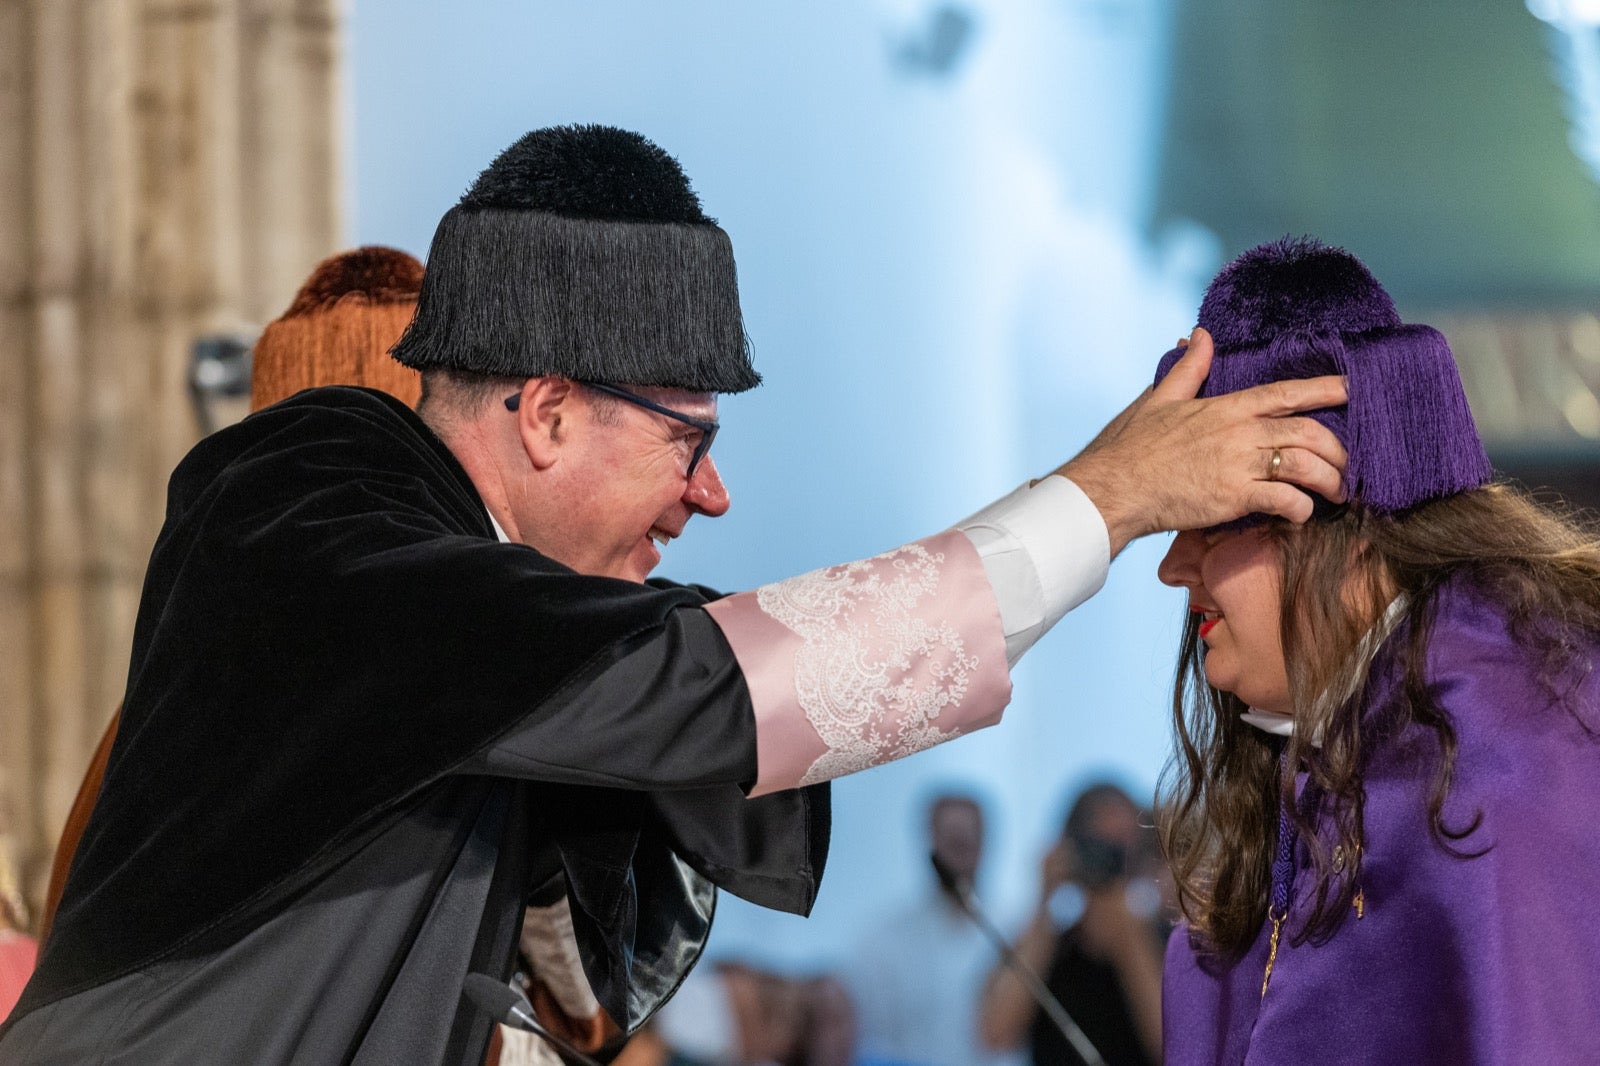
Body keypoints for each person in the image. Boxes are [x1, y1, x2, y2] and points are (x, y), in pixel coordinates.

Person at [0, 127, 1347, 1065]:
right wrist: (1106, 498)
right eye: (689, 439)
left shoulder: (466, 612)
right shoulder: (303, 492)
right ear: (545, 411)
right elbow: (700, 684)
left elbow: (575, 981)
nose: (710, 496)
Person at [1150, 237, 1600, 1063]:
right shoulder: (1351, 740)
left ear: (1346, 520)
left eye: (1211, 523)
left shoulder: (1502, 772)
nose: (1171, 566)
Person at [978, 784, 1165, 1066]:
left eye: (1123, 847)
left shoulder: (1167, 941)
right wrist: (1044, 908)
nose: (1109, 860)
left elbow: (1174, 1047)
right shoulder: (1045, 945)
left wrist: (1129, 935)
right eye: (1098, 845)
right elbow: (995, 1035)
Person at [848, 793, 1017, 1066]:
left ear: (984, 844)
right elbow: (871, 1038)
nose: (960, 855)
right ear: (930, 843)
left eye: (967, 842)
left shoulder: (1014, 929)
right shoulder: (886, 940)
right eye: (951, 842)